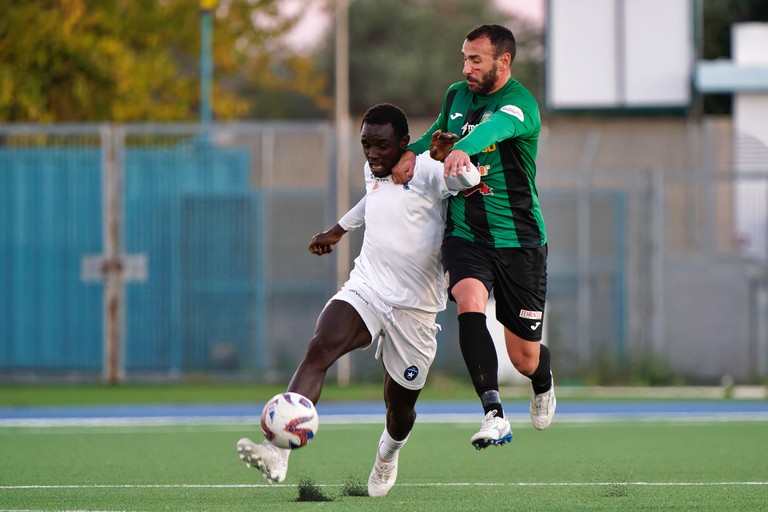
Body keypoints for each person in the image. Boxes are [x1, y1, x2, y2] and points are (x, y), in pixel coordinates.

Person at [236, 103, 480, 497]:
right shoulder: (375, 169)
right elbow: (373, 201)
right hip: (367, 286)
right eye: (365, 145)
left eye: (381, 145)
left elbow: (467, 180)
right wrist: (337, 230)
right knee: (319, 348)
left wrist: (451, 157)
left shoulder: (430, 170)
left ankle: (388, 453)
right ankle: (277, 451)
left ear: (403, 143)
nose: (372, 154)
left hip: (415, 309)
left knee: (399, 409)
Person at [392, 23, 556, 450]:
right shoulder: (456, 95)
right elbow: (440, 135)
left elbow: (496, 129)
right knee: (468, 300)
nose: (466, 67)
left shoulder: (520, 104)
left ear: (503, 62)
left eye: (475, 60)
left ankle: (542, 379)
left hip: (519, 240)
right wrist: (416, 149)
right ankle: (494, 414)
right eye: (464, 58)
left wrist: (467, 147)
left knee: (524, 358)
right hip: (466, 233)